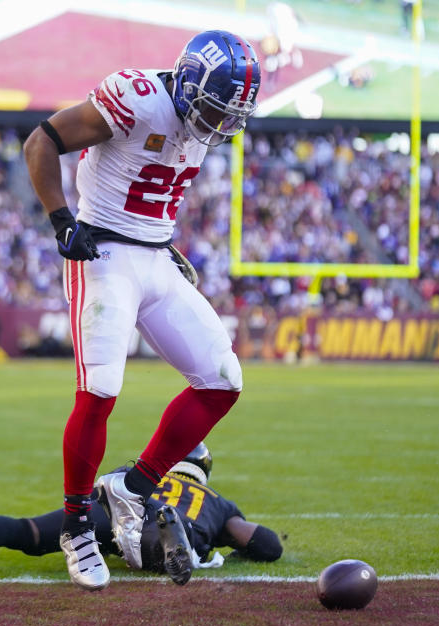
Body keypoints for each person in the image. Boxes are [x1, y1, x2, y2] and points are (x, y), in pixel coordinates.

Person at [22, 30, 261, 591]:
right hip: (102, 252)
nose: (219, 124)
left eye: (230, 114)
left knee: (223, 379)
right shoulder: (136, 97)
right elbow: (40, 142)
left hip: (155, 257)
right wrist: (63, 221)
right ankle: (77, 524)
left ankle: (133, 485)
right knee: (100, 389)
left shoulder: (199, 123)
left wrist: (163, 244)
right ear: (188, 84)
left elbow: (152, 195)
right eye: (213, 107)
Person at [0, 444, 282, 584]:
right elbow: (265, 544)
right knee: (166, 550)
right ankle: (173, 538)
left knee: (24, 532)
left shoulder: (143, 469)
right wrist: (237, 542)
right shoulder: (216, 501)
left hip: (111, 509)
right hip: (178, 524)